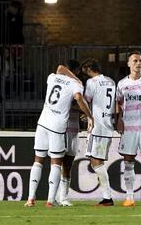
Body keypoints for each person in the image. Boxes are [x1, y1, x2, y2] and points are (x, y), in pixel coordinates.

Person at [24, 61, 94, 208]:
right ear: (77, 71)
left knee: (38, 160)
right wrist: (90, 116)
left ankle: (30, 198)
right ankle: (50, 200)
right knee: (56, 163)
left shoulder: (52, 77)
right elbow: (79, 99)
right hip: (57, 126)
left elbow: (60, 68)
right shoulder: (76, 84)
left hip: (42, 123)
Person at [116, 51, 141, 207]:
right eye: (135, 61)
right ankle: (129, 197)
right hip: (129, 128)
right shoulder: (121, 84)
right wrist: (119, 119)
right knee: (128, 162)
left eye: (140, 61)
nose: (138, 63)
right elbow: (119, 102)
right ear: (128, 63)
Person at [82, 58, 116, 207]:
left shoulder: (91, 83)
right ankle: (107, 197)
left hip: (97, 128)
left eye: (85, 71)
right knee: (98, 161)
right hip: (108, 127)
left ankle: (107, 197)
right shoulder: (110, 81)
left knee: (96, 162)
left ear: (89, 69)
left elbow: (85, 100)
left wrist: (87, 114)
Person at [56, 60, 85, 207]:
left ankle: (63, 196)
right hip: (60, 128)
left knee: (67, 164)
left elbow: (80, 103)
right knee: (58, 163)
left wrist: (83, 111)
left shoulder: (78, 86)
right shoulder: (58, 83)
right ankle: (55, 196)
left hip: (73, 129)